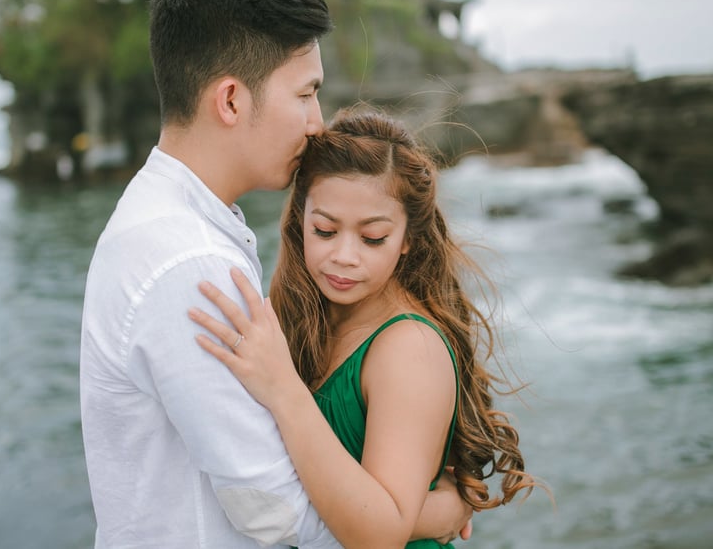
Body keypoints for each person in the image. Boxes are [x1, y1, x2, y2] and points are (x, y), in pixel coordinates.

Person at [80, 0, 471, 548]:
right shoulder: (189, 265)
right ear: (232, 100)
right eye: (306, 93)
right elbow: (275, 511)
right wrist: (438, 512)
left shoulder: (163, 223)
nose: (317, 124)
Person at [190, 108, 538, 548]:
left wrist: (283, 389)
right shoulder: (303, 318)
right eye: (325, 230)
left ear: (408, 238)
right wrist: (436, 512)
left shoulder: (410, 347)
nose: (345, 256)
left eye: (373, 238)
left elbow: (378, 536)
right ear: (301, 221)